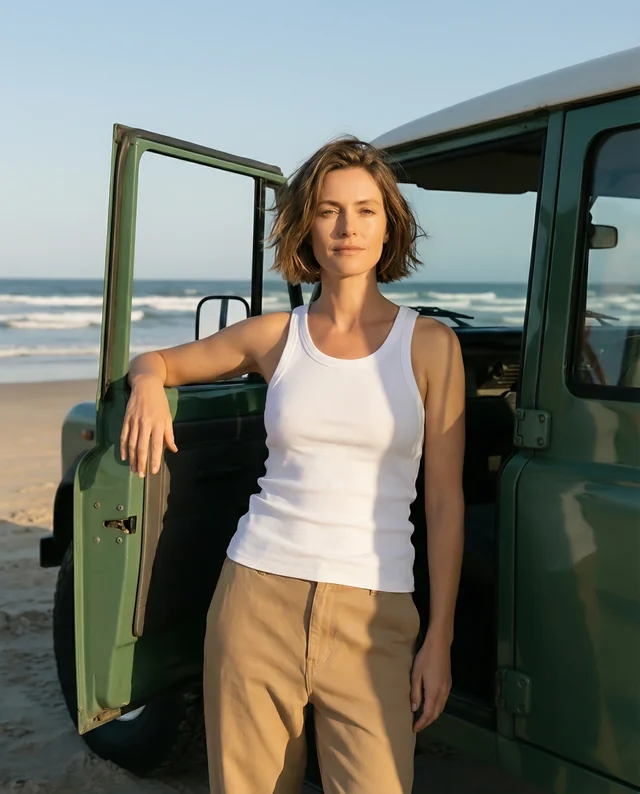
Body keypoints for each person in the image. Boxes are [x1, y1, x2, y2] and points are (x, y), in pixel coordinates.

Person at [120, 137, 465, 794]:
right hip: (257, 598)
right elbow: (157, 361)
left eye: (365, 210)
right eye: (330, 210)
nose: (347, 227)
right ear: (306, 224)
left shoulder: (429, 345)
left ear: (389, 222)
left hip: (376, 613)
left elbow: (444, 503)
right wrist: (145, 388)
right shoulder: (277, 336)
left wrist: (438, 638)